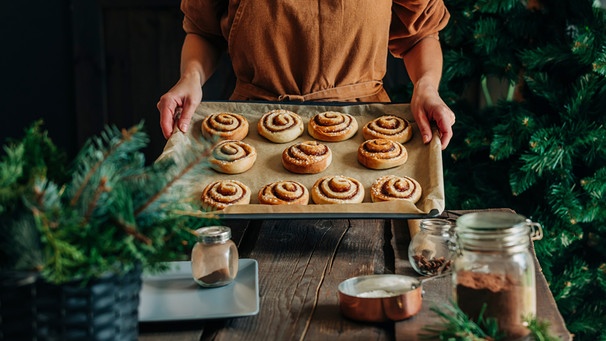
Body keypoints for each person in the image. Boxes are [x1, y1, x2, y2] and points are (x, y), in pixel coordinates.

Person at [158, 0, 456, 149]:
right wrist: (191, 78)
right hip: (251, 130)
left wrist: (427, 86)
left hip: (366, 134)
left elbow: (420, 34)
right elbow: (204, 31)